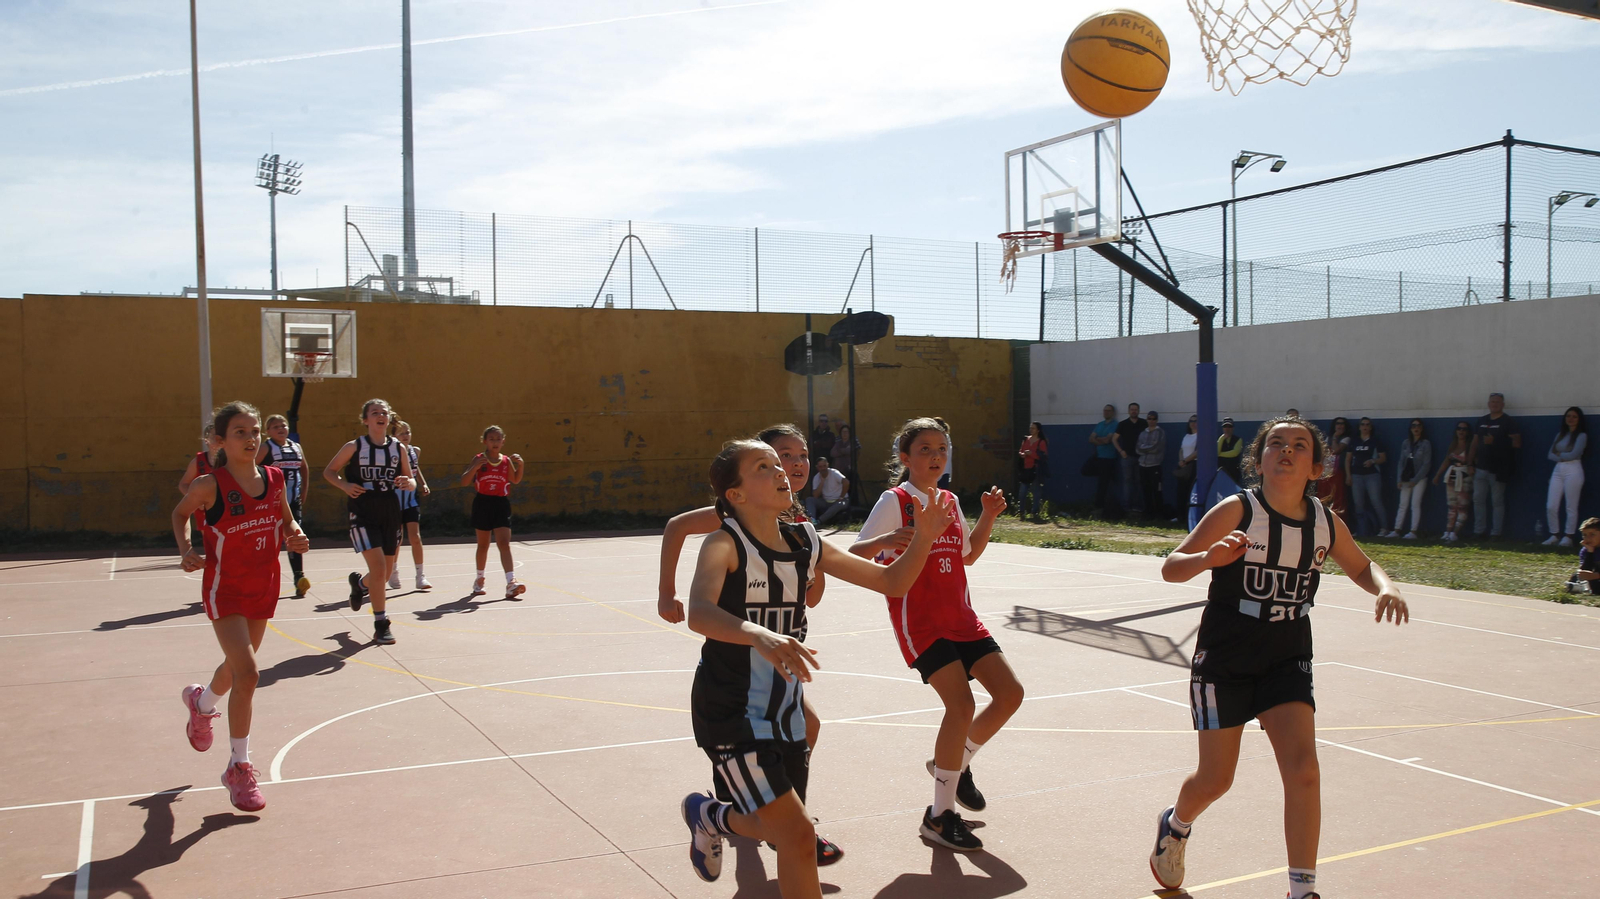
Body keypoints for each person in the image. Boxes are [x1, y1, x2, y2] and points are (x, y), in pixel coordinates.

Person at [679, 439, 956, 897]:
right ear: (737, 494)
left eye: (778, 464)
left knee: (787, 835)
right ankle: (713, 815)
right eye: (763, 467)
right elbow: (699, 613)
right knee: (796, 833)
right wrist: (757, 633)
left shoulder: (805, 540)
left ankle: (710, 815)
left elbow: (890, 581)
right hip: (730, 711)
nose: (780, 471)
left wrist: (923, 538)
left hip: (784, 713)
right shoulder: (723, 543)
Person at [1147, 415, 1409, 899]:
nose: (1287, 450)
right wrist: (1209, 559)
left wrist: (1385, 586)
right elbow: (1171, 567)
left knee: (1304, 770)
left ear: (1316, 466)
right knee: (1215, 780)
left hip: (1287, 656)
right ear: (1260, 459)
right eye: (1277, 444)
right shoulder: (1237, 511)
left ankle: (1302, 889)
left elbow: (1361, 565)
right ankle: (1177, 823)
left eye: (1300, 445)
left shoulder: (1325, 523)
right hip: (1225, 657)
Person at [659, 423, 845, 868]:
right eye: (781, 456)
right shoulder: (735, 520)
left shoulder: (798, 528)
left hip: (780, 668)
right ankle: (769, 813)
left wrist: (814, 569)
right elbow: (677, 526)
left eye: (799, 456)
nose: (794, 464)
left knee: (805, 727)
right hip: (742, 672)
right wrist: (668, 592)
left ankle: (777, 815)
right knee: (803, 725)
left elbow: (811, 598)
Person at [850, 417, 1023, 853]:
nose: (935, 456)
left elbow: (968, 555)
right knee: (961, 704)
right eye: (925, 449)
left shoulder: (948, 500)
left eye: (942, 449)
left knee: (1010, 694)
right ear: (905, 458)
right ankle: (940, 816)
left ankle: (953, 763)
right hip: (921, 621)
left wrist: (987, 516)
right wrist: (889, 538)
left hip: (962, 618)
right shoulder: (896, 500)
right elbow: (854, 553)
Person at [173, 401, 310, 812]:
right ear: (220, 441)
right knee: (249, 673)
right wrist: (186, 549)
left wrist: (295, 534)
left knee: (236, 669)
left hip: (264, 586)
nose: (251, 439)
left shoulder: (274, 479)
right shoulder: (208, 486)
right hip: (225, 590)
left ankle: (201, 705)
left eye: (254, 432)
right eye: (240, 432)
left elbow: (287, 521)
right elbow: (180, 514)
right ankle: (239, 766)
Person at [323, 398, 415, 645]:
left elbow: (410, 478)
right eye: (374, 412)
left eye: (383, 412)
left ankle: (359, 584)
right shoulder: (354, 446)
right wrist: (344, 485)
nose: (380, 415)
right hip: (362, 511)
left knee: (382, 575)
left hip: (390, 511)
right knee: (379, 569)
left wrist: (408, 483)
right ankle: (381, 624)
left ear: (388, 418)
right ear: (366, 420)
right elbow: (329, 471)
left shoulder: (399, 449)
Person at [460, 425, 526, 599]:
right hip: (482, 503)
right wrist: (474, 467)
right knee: (483, 545)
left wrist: (521, 465)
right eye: (492, 439)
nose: (495, 442)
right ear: (485, 441)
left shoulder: (506, 461)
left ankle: (511, 582)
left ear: (503, 441)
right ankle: (480, 579)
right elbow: (464, 481)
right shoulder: (479, 459)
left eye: (498, 439)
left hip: (501, 504)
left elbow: (515, 480)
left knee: (504, 543)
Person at [256, 414, 312, 598]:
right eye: (275, 426)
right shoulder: (266, 448)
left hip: (293, 500)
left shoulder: (296, 447)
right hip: (270, 503)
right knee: (268, 540)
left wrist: (303, 490)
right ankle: (262, 578)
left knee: (295, 537)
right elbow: (250, 468)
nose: (280, 429)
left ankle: (299, 577)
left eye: (283, 425)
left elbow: (304, 468)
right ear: (268, 431)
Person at [1469, 393, 1522, 539]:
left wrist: (1496, 441)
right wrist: (1470, 462)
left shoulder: (1508, 422)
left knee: (1497, 502)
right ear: (1488, 404)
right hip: (1480, 467)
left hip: (1498, 469)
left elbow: (1516, 443)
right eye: (1492, 402)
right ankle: (1479, 531)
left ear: (1503, 404)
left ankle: (1496, 533)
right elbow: (1474, 443)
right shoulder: (1481, 421)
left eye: (1498, 402)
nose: (1495, 404)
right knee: (1478, 500)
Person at [390, 419, 433, 590]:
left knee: (415, 537)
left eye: (407, 432)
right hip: (394, 501)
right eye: (401, 433)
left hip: (411, 499)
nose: (405, 435)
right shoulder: (389, 453)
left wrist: (423, 483)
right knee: (396, 539)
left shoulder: (415, 451)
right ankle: (393, 571)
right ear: (393, 436)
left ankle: (420, 576)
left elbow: (415, 468)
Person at [1544, 407, 1588, 547]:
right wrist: (1562, 456)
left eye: (1574, 416)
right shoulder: (1560, 435)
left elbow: (1574, 454)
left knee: (1571, 506)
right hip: (1558, 470)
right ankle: (1554, 534)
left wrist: (1560, 456)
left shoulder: (1581, 436)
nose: (1571, 419)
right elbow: (1550, 454)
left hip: (1573, 469)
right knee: (1551, 505)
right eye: (1568, 416)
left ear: (1579, 419)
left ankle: (1568, 536)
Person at [1386, 419, 1431, 540]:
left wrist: (1416, 480)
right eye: (1413, 426)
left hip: (1419, 478)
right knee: (1403, 504)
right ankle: (1397, 529)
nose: (1416, 428)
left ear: (1422, 428)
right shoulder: (1406, 443)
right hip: (1406, 477)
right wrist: (1399, 479)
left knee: (1415, 504)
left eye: (1418, 426)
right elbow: (1401, 461)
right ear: (1410, 428)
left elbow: (1426, 464)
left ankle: (1413, 531)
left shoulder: (1425, 444)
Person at [1433, 422, 1474, 543]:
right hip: (1451, 477)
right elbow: (1446, 461)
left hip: (1464, 478)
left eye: (1464, 429)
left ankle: (1455, 533)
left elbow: (1473, 461)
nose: (1461, 431)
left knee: (1462, 507)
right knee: (1452, 506)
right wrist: (1437, 475)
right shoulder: (1453, 446)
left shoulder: (1470, 446)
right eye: (1459, 429)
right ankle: (1448, 531)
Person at [1346, 417, 1387, 538]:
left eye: (1367, 424)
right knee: (1358, 504)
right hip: (1356, 475)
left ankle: (1384, 528)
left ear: (1370, 427)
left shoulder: (1376, 441)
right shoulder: (1354, 441)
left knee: (1376, 502)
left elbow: (1383, 458)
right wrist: (1348, 475)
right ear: (1359, 427)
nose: (1365, 427)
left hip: (1372, 475)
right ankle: (1361, 529)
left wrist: (1373, 461)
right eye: (1362, 424)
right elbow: (1348, 460)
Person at [1317, 417, 1352, 525]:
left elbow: (1336, 450)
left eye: (1342, 424)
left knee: (1337, 497)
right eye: (1337, 423)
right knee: (1323, 495)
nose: (1340, 426)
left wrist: (1335, 437)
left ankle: (1338, 522)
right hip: (1327, 472)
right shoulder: (1328, 438)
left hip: (1338, 472)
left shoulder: (1346, 439)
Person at [1114, 402, 1145, 517]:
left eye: (1136, 409)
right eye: (1132, 409)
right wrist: (1121, 451)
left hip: (1141, 458)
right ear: (1128, 411)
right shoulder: (1123, 424)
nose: (1134, 411)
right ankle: (1126, 507)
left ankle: (1138, 507)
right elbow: (1114, 439)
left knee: (1139, 482)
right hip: (1127, 458)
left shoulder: (1143, 423)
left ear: (1138, 411)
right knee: (1127, 482)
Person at [1088, 404, 1119, 513]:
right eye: (1105, 410)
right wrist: (1101, 441)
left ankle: (1099, 507)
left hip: (1108, 457)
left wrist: (1098, 440)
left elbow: (1108, 440)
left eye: (1109, 411)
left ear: (1113, 413)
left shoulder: (1115, 424)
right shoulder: (1100, 424)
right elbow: (1091, 439)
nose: (1106, 413)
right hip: (1098, 456)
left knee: (1103, 484)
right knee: (1085, 469)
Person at [1137, 410, 1167, 519]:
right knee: (1145, 489)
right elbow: (1138, 448)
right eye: (1149, 418)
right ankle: (1148, 513)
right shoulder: (1142, 433)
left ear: (1157, 420)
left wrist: (1145, 448)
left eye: (1154, 418)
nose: (1151, 421)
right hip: (1143, 465)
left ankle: (1159, 514)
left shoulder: (1160, 433)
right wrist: (1148, 448)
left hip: (1154, 465)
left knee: (1156, 490)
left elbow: (1157, 448)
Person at [1017, 421, 1049, 520]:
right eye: (1030, 428)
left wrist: (1032, 454)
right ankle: (1021, 511)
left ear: (1038, 430)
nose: (1031, 430)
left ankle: (1034, 512)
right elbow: (1021, 451)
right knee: (1022, 492)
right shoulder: (1026, 439)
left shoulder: (1041, 442)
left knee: (1036, 492)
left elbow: (1044, 456)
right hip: (1025, 469)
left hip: (1035, 469)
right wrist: (1023, 454)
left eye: (1033, 428)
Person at [806, 456, 849, 526]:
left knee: (839, 505)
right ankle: (811, 520)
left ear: (827, 465)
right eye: (820, 467)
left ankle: (819, 521)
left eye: (824, 466)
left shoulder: (834, 473)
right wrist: (822, 482)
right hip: (826, 501)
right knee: (809, 499)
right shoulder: (816, 477)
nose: (823, 468)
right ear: (817, 467)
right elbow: (815, 495)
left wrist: (841, 497)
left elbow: (846, 482)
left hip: (840, 500)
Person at [830, 422, 862, 509]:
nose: (845, 434)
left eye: (846, 432)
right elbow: (833, 453)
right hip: (839, 469)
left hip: (849, 469)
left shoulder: (853, 441)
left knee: (852, 489)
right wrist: (844, 451)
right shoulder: (838, 441)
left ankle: (853, 506)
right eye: (843, 432)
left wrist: (840, 451)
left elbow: (855, 451)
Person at [1174, 415, 1199, 524]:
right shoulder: (1186, 436)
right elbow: (1181, 450)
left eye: (1195, 421)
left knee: (1190, 491)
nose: (1193, 423)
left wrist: (1186, 461)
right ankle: (1180, 516)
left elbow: (1197, 452)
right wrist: (1181, 461)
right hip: (1183, 465)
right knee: (1181, 491)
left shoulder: (1200, 436)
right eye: (1191, 421)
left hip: (1193, 465)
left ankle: (1190, 517)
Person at [1566, 517, 1600, 594]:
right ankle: (1579, 587)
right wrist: (1590, 552)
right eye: (1584, 535)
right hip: (1595, 576)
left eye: (1592, 534)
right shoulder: (1585, 550)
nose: (1588, 538)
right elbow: (1585, 569)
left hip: (1597, 576)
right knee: (1576, 575)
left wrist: (1595, 576)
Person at [1216, 418, 1243, 485]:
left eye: (1229, 426)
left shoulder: (1238, 440)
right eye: (1225, 426)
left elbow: (1235, 453)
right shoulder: (1219, 440)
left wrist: (1220, 454)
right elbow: (1216, 452)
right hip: (1221, 472)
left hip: (1234, 472)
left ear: (1233, 428)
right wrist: (1222, 438)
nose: (1227, 429)